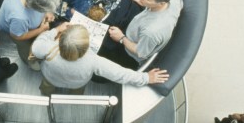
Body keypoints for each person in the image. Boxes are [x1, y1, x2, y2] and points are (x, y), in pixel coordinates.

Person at [32, 22, 169, 95]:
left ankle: (46, 93)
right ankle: (74, 98)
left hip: (50, 77)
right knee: (76, 92)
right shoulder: (93, 61)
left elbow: (37, 44)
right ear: (86, 45)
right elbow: (120, 74)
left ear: (62, 38)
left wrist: (55, 30)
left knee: (47, 86)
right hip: (77, 83)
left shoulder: (48, 48)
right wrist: (146, 78)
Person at [99, 0, 183, 68]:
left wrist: (121, 38)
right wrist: (145, 3)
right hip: (139, 29)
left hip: (129, 53)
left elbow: (140, 52)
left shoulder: (151, 32)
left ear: (161, 3)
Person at [0, 0, 61, 70]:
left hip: (25, 24)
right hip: (17, 32)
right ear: (36, 8)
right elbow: (18, 36)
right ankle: (29, 61)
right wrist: (41, 29)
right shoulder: (19, 17)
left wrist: (47, 12)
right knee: (26, 48)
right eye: (45, 10)